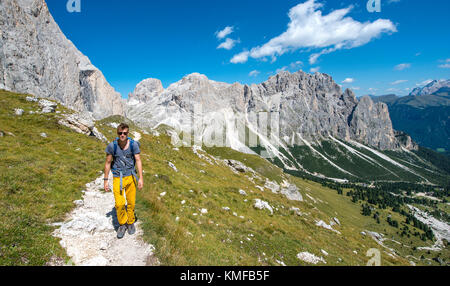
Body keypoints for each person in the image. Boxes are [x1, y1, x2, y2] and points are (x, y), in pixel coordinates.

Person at [104, 123, 144, 239]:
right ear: (117, 133)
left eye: (125, 133)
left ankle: (130, 222)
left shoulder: (133, 145)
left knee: (131, 202)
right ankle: (122, 223)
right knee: (120, 203)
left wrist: (140, 178)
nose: (122, 135)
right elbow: (107, 163)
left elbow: (138, 160)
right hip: (118, 177)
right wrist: (106, 180)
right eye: (120, 133)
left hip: (131, 177)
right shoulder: (112, 146)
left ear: (128, 133)